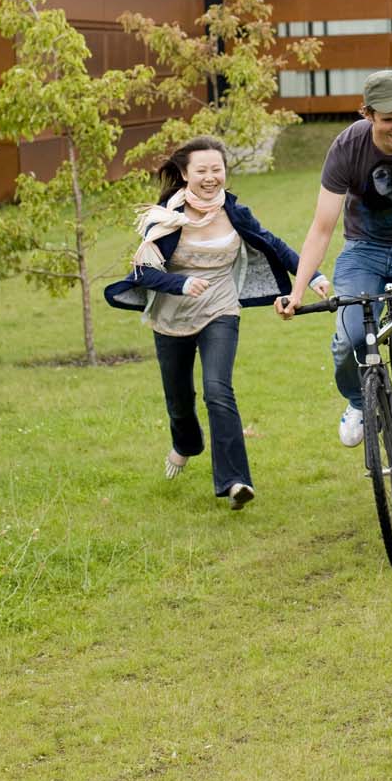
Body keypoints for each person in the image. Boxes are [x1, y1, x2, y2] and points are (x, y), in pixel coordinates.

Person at [276, 70, 392, 509]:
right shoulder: (347, 147)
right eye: (388, 119)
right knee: (348, 338)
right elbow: (322, 227)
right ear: (367, 115)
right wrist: (297, 289)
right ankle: (359, 401)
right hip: (364, 250)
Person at [104, 136, 328, 509]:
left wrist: (312, 275)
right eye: (202, 171)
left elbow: (271, 242)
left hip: (220, 308)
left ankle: (235, 482)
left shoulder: (235, 212)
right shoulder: (165, 218)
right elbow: (143, 272)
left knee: (218, 389)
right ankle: (186, 444)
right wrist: (182, 282)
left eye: (217, 169)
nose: (210, 177)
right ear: (184, 174)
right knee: (179, 400)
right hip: (171, 315)